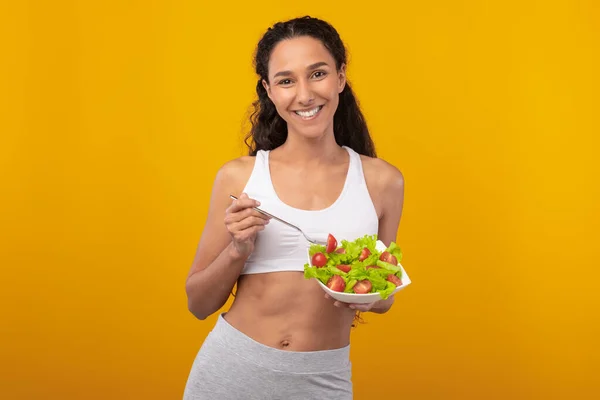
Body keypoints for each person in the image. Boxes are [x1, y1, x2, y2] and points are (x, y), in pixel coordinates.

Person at [183, 16, 404, 400]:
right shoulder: (239, 178)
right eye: (286, 80)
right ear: (269, 90)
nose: (304, 94)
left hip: (323, 380)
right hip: (231, 372)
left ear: (340, 77)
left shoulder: (383, 182)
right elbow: (198, 303)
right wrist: (238, 249)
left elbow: (384, 296)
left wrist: (369, 295)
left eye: (317, 73)